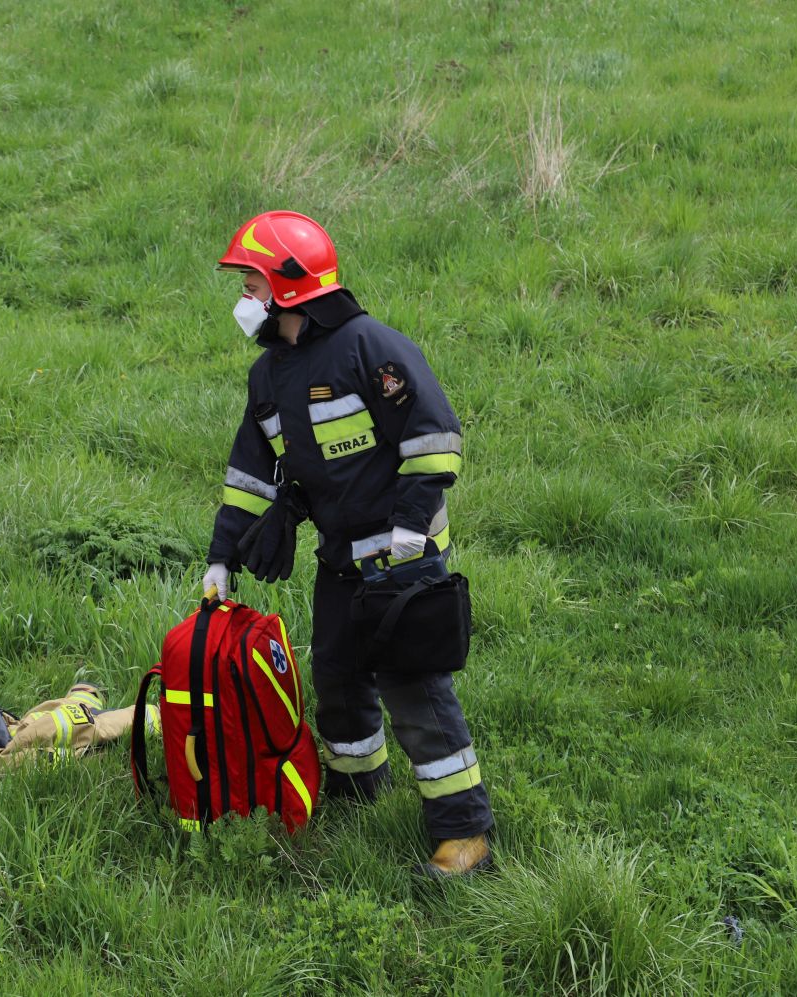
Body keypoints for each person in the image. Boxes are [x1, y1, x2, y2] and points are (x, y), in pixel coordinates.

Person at [202, 211, 494, 877]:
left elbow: (435, 437)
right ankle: (359, 794)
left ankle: (464, 833)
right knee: (337, 681)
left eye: (251, 281)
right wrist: (223, 556)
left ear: (289, 285)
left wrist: (409, 530)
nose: (244, 297)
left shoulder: (371, 348)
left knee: (414, 690)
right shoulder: (268, 377)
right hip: (339, 560)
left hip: (405, 556)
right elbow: (251, 477)